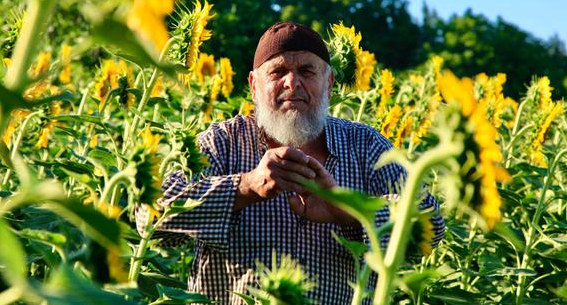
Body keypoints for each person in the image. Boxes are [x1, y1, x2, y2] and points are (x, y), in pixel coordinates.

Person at [136, 22, 445, 304]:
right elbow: (150, 216)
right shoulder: (224, 142)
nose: (292, 82)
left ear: (330, 82)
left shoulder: (365, 146)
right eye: (277, 71)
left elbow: (431, 226)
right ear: (254, 85)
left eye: (308, 71)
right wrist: (246, 187)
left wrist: (349, 209)